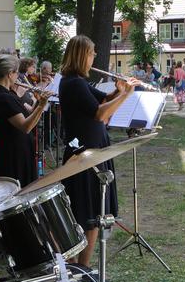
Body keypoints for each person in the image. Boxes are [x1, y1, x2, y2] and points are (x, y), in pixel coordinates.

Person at [58, 36, 138, 267]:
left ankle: (80, 265)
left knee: (93, 210)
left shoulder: (78, 82)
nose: (94, 56)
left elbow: (102, 101)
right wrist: (126, 95)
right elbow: (100, 114)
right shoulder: (73, 83)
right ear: (82, 55)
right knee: (88, 212)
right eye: (91, 52)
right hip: (85, 154)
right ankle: (81, 266)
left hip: (94, 151)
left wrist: (118, 91)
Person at [0, 54, 49, 185]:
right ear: (10, 74)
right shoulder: (3, 97)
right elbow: (25, 127)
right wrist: (41, 106)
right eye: (16, 72)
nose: (18, 76)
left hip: (19, 150)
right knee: (17, 191)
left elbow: (28, 117)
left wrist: (37, 103)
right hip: (13, 155)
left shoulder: (7, 93)